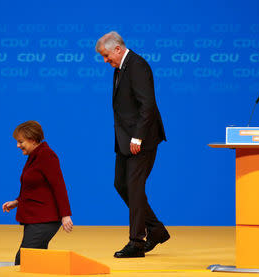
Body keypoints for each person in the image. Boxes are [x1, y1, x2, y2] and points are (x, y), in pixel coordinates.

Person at [95, 31, 170, 258]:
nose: (105, 61)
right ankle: (155, 230)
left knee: (135, 188)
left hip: (141, 139)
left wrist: (137, 137)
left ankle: (137, 242)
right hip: (125, 138)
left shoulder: (137, 65)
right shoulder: (121, 67)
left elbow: (147, 104)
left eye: (107, 56)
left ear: (118, 49)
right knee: (122, 185)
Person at [2, 120, 73, 265]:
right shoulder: (34, 156)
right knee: (35, 263)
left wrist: (65, 215)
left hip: (45, 220)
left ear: (32, 140)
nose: (17, 145)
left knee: (23, 261)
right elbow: (34, 188)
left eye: (20, 141)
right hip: (35, 218)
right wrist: (17, 201)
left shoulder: (47, 156)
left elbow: (59, 186)